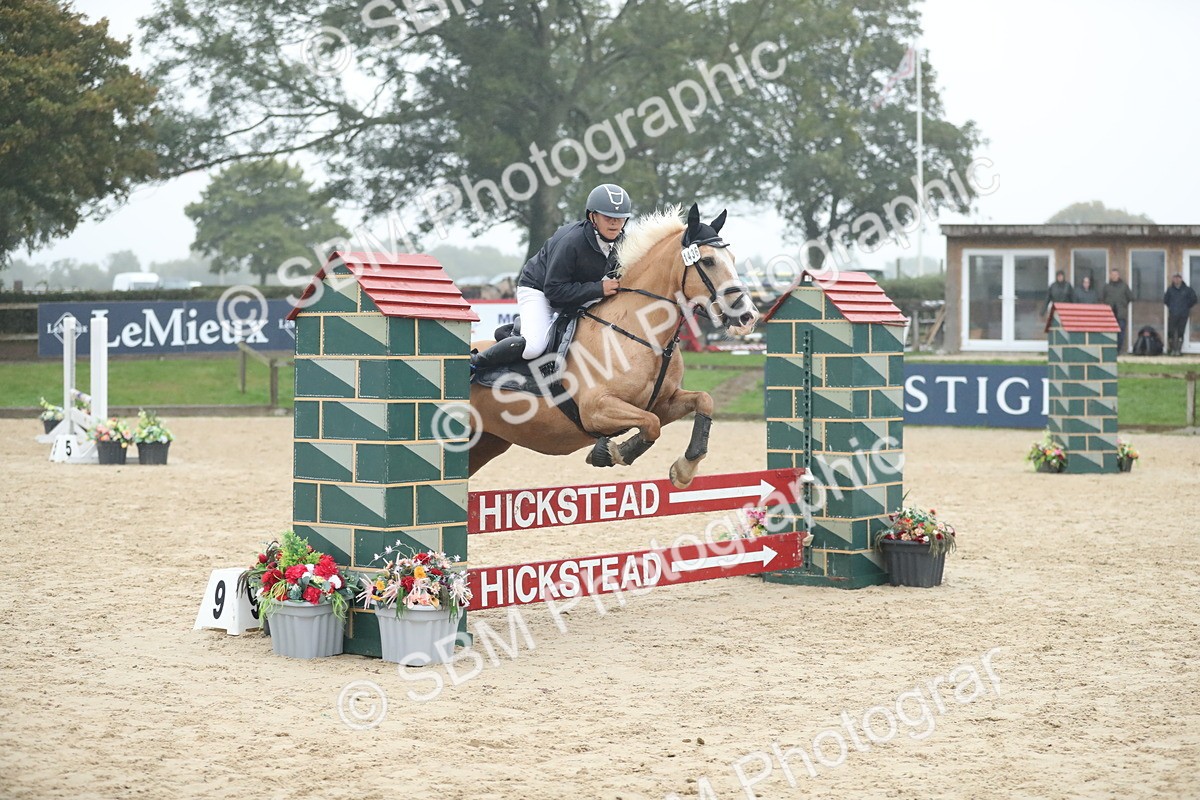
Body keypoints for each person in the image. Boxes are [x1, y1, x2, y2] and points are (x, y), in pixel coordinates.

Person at [470, 184, 631, 371]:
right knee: (534, 347)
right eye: (608, 217)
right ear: (592, 216)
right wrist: (598, 289)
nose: (614, 223)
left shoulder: (621, 243)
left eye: (620, 219)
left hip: (573, 291)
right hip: (539, 289)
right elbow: (553, 292)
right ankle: (477, 361)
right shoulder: (572, 242)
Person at [1100, 268, 1134, 352]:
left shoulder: (1124, 286)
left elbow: (1131, 297)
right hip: (1109, 315)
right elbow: (1101, 298)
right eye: (1112, 275)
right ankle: (1109, 350)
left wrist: (1123, 304)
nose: (1114, 276)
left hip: (1121, 314)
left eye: (1115, 275)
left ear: (1118, 275)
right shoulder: (1106, 287)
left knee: (1120, 333)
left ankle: (1118, 350)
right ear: (1110, 276)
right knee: (1109, 333)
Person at [1163, 272, 1198, 356]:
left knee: (1180, 332)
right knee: (1171, 332)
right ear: (1173, 279)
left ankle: (1178, 350)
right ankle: (1172, 350)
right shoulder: (1170, 290)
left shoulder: (1187, 290)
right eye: (1175, 278)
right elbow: (1166, 300)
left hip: (1183, 314)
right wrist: (1172, 307)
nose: (1176, 279)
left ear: (1181, 279)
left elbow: (1194, 299)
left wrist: (1186, 306)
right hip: (1173, 314)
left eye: (1178, 278)